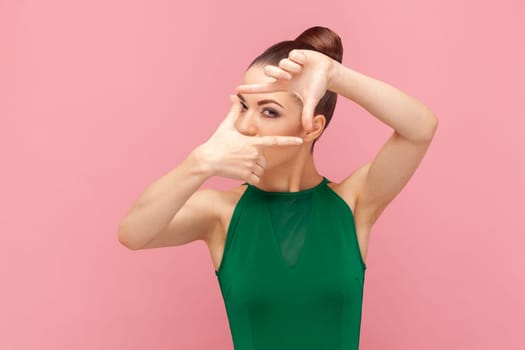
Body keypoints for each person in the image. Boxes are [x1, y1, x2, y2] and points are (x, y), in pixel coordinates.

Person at [118, 25, 438, 350]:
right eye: (244, 105)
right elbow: (133, 233)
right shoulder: (221, 214)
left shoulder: (353, 203)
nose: (245, 126)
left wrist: (334, 76)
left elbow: (420, 128)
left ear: (312, 128)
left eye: (269, 111)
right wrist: (199, 163)